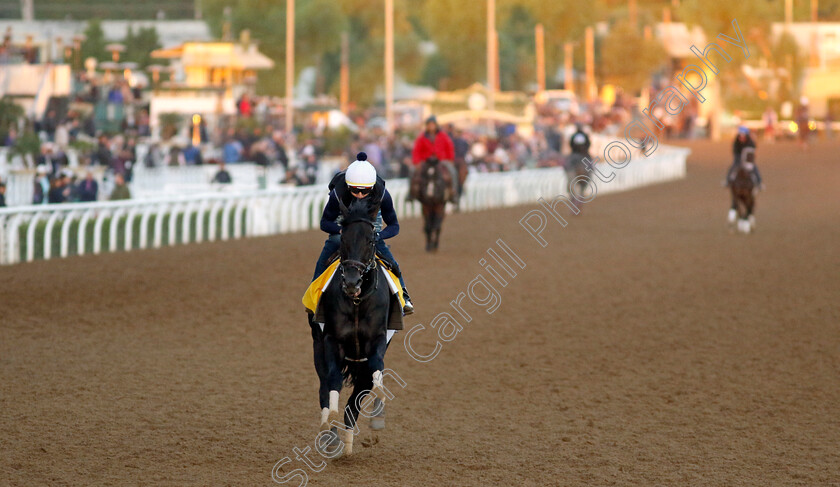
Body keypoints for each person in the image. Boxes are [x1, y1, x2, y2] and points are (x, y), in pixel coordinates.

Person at [311, 151, 414, 315]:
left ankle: (404, 297)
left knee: (391, 261)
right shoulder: (338, 193)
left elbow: (394, 225)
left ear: (372, 187)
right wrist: (341, 231)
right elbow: (325, 222)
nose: (359, 195)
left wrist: (378, 236)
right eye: (355, 190)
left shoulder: (382, 194)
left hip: (370, 231)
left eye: (364, 191)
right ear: (348, 185)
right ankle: (314, 297)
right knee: (331, 246)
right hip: (344, 231)